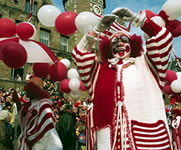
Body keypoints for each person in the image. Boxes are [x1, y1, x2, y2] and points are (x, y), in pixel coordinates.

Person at [72, 7, 174, 150]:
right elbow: (79, 55)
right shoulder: (98, 72)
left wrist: (138, 20)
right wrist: (96, 30)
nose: (119, 43)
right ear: (108, 48)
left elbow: (164, 39)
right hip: (109, 143)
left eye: (124, 39)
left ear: (132, 45)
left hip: (147, 140)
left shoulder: (149, 65)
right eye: (114, 41)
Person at [13, 77, 63, 150]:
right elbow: (25, 117)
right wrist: (17, 102)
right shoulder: (28, 106)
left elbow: (49, 133)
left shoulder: (44, 106)